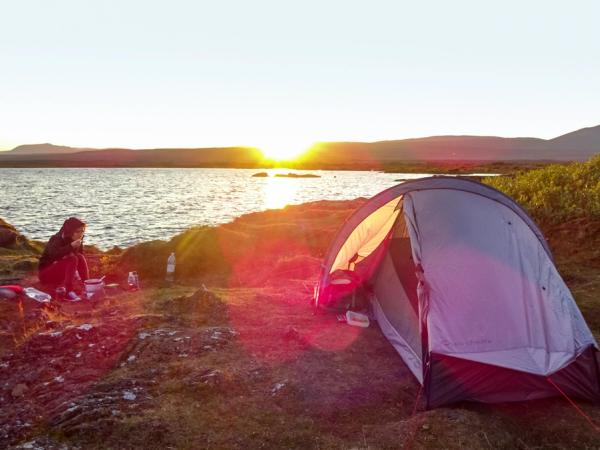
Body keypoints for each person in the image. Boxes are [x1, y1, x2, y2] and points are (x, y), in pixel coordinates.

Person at [39, 217, 89, 301]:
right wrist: (71, 246)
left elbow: (79, 255)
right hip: (46, 275)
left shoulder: (77, 238)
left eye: (82, 231)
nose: (80, 234)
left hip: (60, 274)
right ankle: (68, 292)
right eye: (77, 231)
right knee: (72, 258)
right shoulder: (56, 239)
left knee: (79, 257)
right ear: (70, 231)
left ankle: (88, 286)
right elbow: (53, 255)